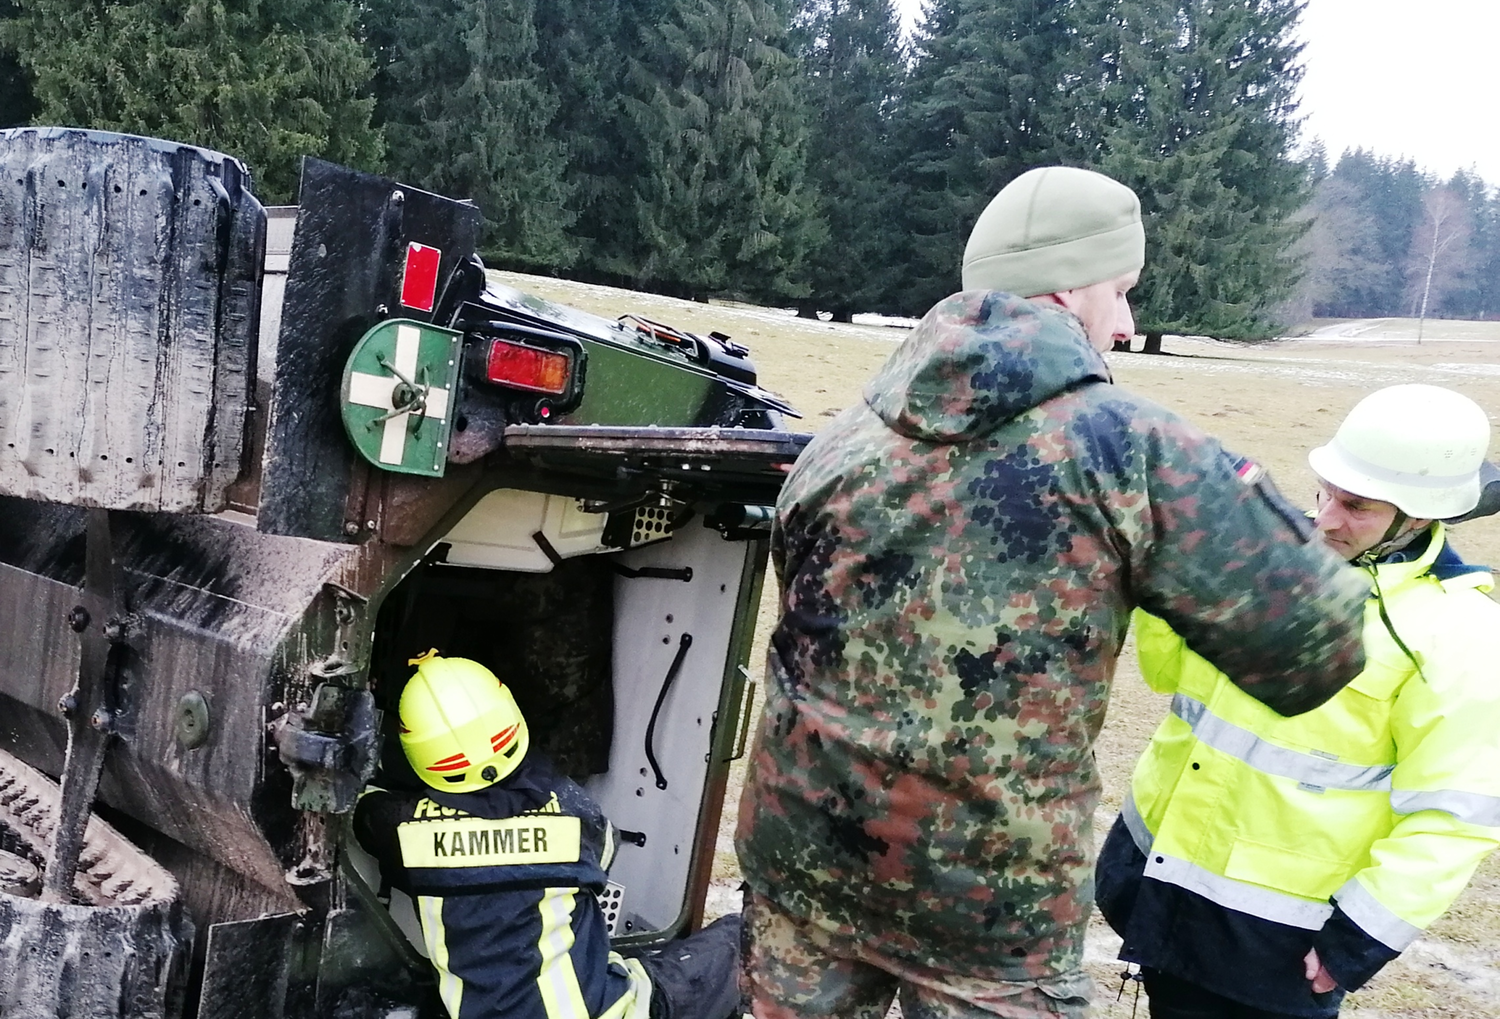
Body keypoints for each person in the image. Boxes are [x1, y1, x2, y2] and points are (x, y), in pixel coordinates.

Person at [734, 164, 1370, 1019]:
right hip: (989, 913)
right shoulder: (1126, 449)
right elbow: (1316, 644)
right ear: (1073, 287)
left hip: (798, 861)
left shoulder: (845, 435)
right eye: (1122, 290)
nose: (1128, 321)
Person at [1096, 383, 1500, 1018]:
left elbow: (1453, 817)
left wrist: (1358, 941)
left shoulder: (1461, 635)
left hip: (1277, 941)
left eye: (1358, 506)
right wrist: (1178, 580)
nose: (1328, 517)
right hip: (1159, 881)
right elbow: (1168, 676)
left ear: (1420, 516)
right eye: (1327, 492)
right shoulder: (1274, 565)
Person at [354, 651, 742, 1019]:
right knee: (741, 939)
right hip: (611, 1011)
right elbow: (604, 856)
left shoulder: (405, 832)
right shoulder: (572, 811)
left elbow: (361, 807)